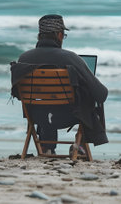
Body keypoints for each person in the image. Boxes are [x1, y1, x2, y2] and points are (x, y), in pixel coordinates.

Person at [10, 14, 108, 154]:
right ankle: (80, 145)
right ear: (59, 35)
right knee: (88, 95)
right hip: (69, 116)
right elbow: (101, 94)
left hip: (36, 116)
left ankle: (47, 147)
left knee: (46, 102)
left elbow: (18, 94)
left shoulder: (24, 59)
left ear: (39, 36)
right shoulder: (71, 58)